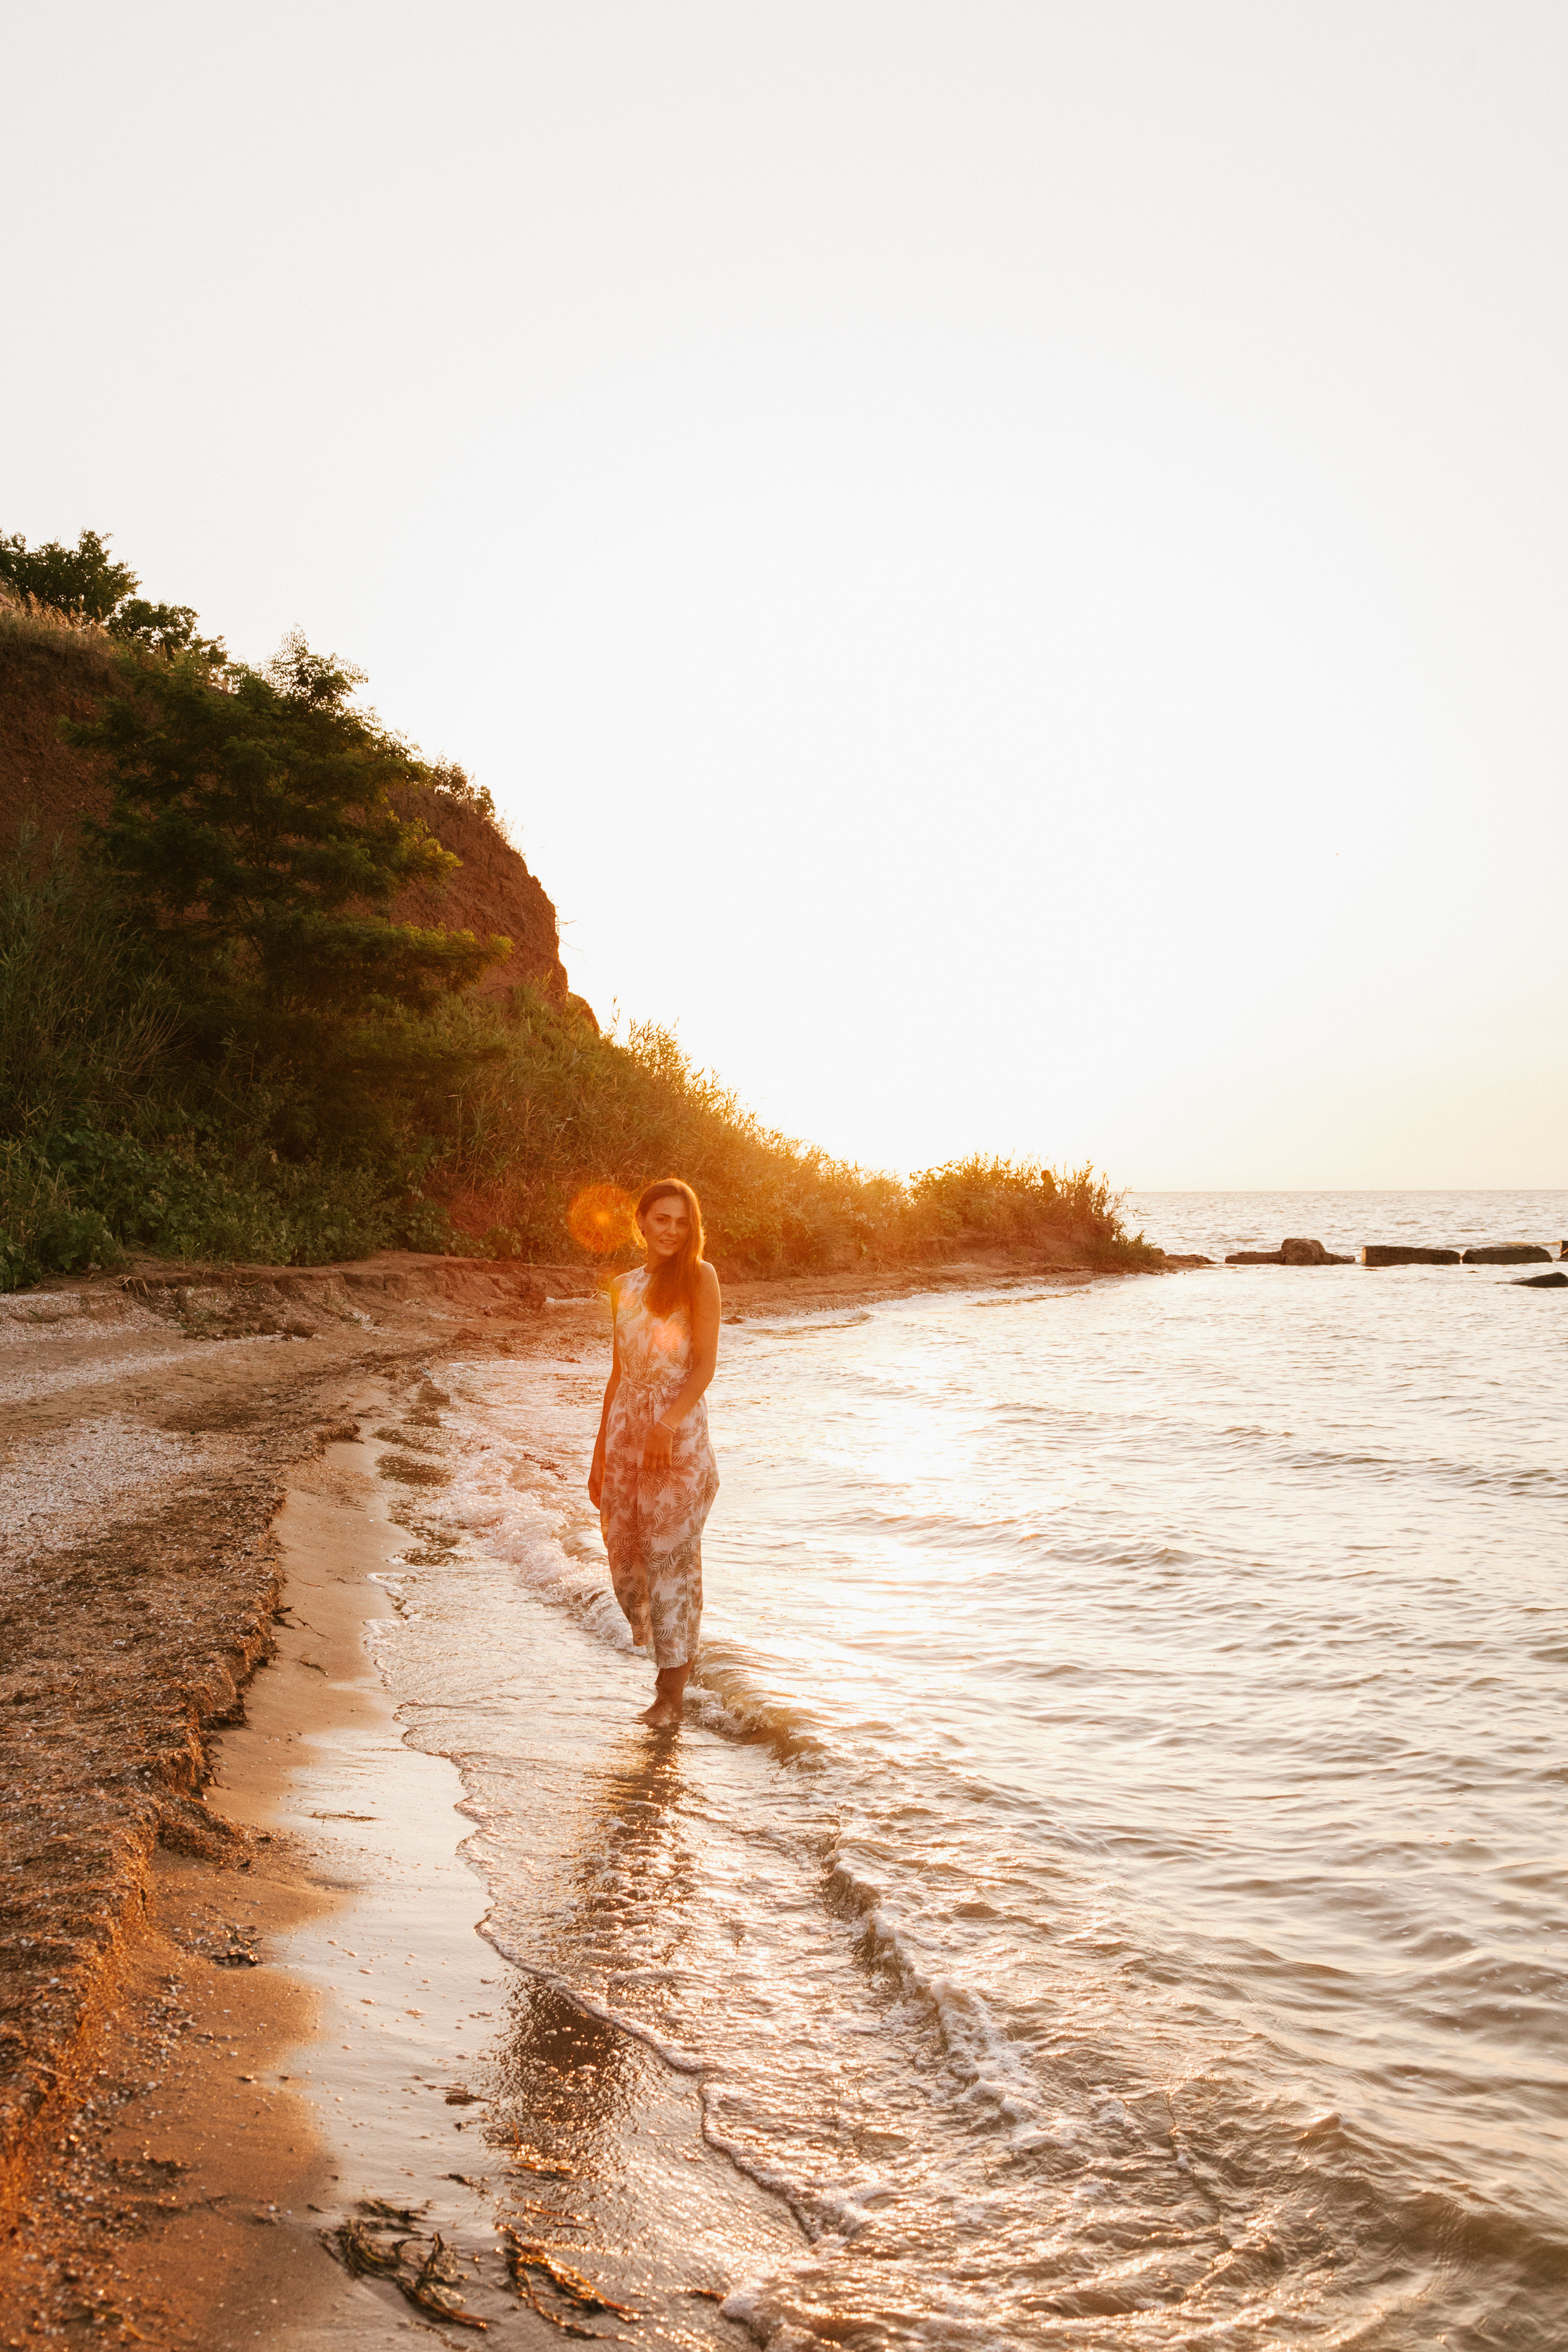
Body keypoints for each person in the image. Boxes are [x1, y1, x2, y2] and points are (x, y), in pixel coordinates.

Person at [589, 1178, 721, 1726]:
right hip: (626, 1436)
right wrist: (600, 1451)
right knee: (626, 1559)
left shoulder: (700, 1278)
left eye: (681, 1221)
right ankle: (667, 1675)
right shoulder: (623, 1285)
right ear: (640, 1222)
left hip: (677, 1442)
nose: (671, 1230)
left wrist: (665, 1425)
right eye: (661, 1219)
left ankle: (670, 1698)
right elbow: (618, 1372)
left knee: (672, 1563)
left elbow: (705, 1365)